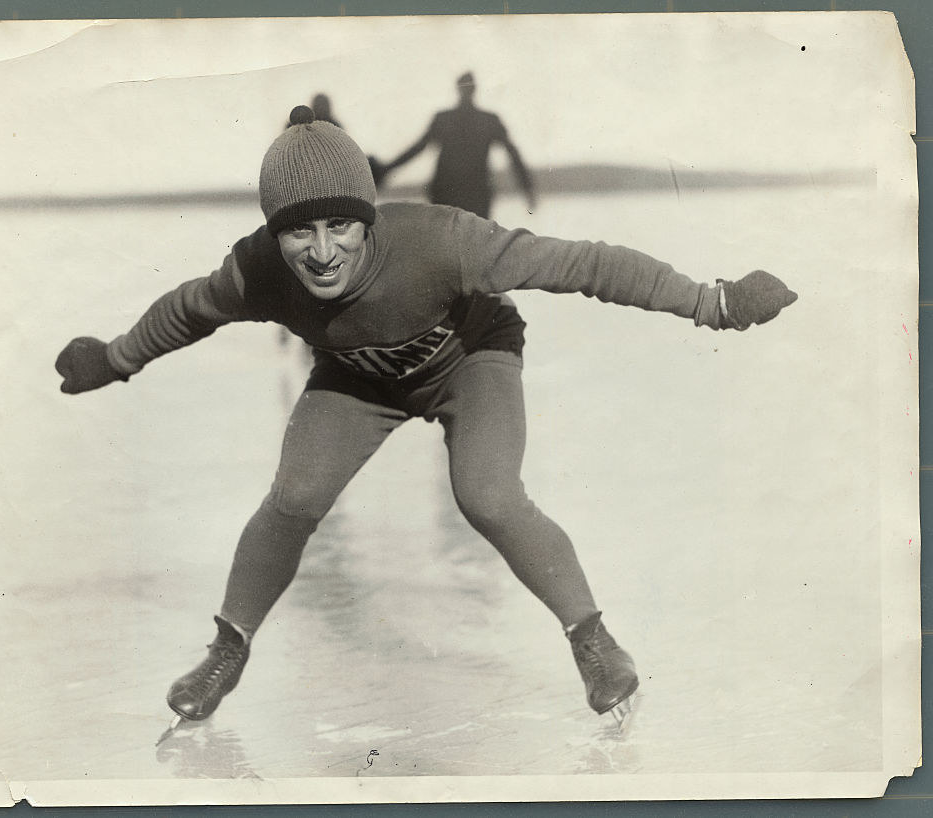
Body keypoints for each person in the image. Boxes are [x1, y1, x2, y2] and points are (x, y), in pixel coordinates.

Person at [55, 105, 797, 729]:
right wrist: (115, 359)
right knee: (294, 500)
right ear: (274, 234)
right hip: (358, 379)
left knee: (489, 495)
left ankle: (594, 641)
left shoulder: (441, 242)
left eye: (341, 227)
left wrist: (712, 302)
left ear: (369, 219)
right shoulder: (254, 269)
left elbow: (582, 264)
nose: (320, 253)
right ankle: (227, 651)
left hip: (471, 361)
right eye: (298, 233)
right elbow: (188, 309)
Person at [372, 71, 537, 217]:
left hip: (448, 195)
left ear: (459, 89)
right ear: (474, 89)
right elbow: (513, 155)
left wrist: (386, 169)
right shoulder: (488, 120)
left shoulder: (445, 119)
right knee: (474, 246)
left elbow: (417, 149)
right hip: (474, 197)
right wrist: (528, 190)